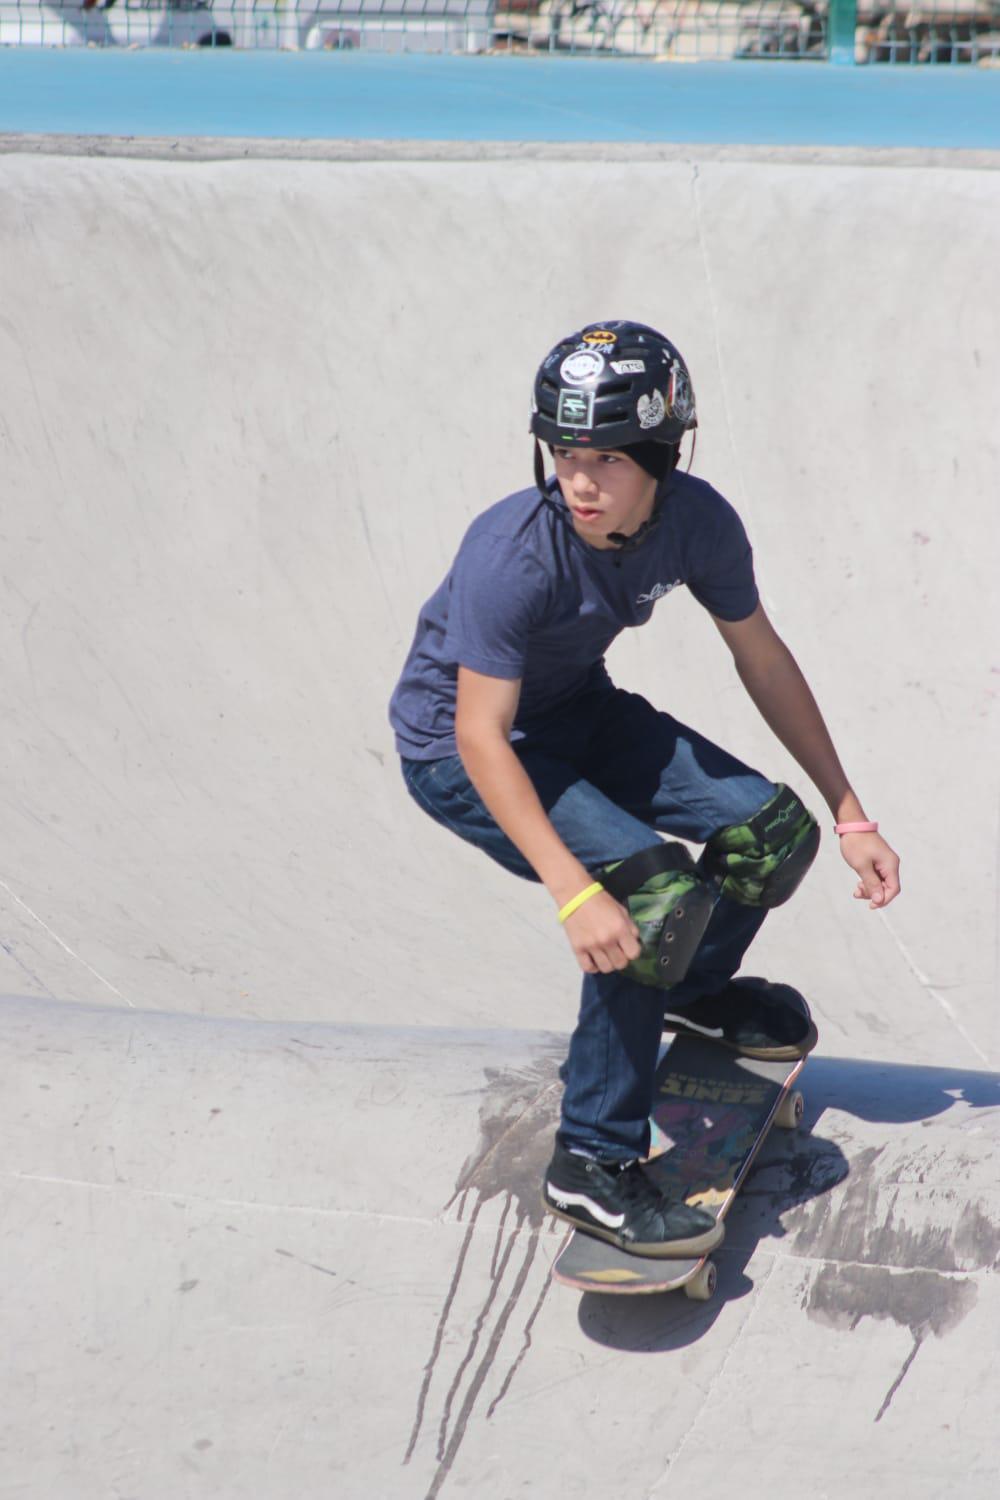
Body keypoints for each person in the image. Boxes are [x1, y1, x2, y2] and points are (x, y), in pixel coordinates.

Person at [388, 320, 900, 1260]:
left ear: (663, 456)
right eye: (565, 455)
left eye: (609, 460)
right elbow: (478, 734)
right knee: (654, 897)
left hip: (577, 712)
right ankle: (591, 1160)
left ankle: (690, 990)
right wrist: (574, 891)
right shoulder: (512, 553)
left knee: (770, 835)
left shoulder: (699, 523)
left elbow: (762, 657)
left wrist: (848, 811)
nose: (580, 483)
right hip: (460, 752)